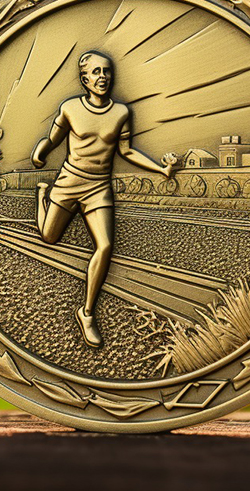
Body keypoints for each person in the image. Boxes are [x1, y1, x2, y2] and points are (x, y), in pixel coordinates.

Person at [31, 51, 172, 347]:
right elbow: (53, 138)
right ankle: (43, 195)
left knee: (105, 245)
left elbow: (127, 152)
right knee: (49, 237)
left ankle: (87, 312)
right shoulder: (70, 108)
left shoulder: (121, 113)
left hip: (98, 188)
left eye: (106, 71)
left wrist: (161, 168)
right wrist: (40, 152)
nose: (102, 77)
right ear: (84, 80)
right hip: (69, 182)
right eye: (95, 72)